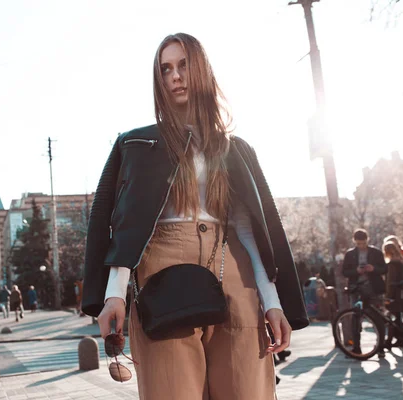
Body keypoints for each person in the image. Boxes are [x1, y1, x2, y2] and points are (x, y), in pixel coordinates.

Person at [81, 33, 308, 399]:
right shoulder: (136, 144)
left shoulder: (235, 148)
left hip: (232, 267)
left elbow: (250, 228)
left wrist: (273, 301)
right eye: (166, 68)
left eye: (183, 65)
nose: (175, 76)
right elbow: (123, 222)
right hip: (160, 268)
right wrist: (115, 294)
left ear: (201, 69)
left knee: (247, 389)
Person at [342, 229, 387, 356]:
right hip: (356, 288)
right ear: (354, 242)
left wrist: (373, 269)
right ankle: (357, 347)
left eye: (363, 243)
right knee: (355, 318)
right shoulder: (350, 254)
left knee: (377, 317)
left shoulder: (376, 252)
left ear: (367, 240)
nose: (361, 245)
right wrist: (356, 271)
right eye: (358, 243)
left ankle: (381, 347)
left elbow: (384, 269)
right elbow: (345, 272)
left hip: (373, 288)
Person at [382, 241, 403, 349]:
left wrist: (387, 296)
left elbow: (391, 282)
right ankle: (400, 338)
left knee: (392, 317)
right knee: (398, 317)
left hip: (395, 294)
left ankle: (389, 341)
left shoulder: (391, 264)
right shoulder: (402, 261)